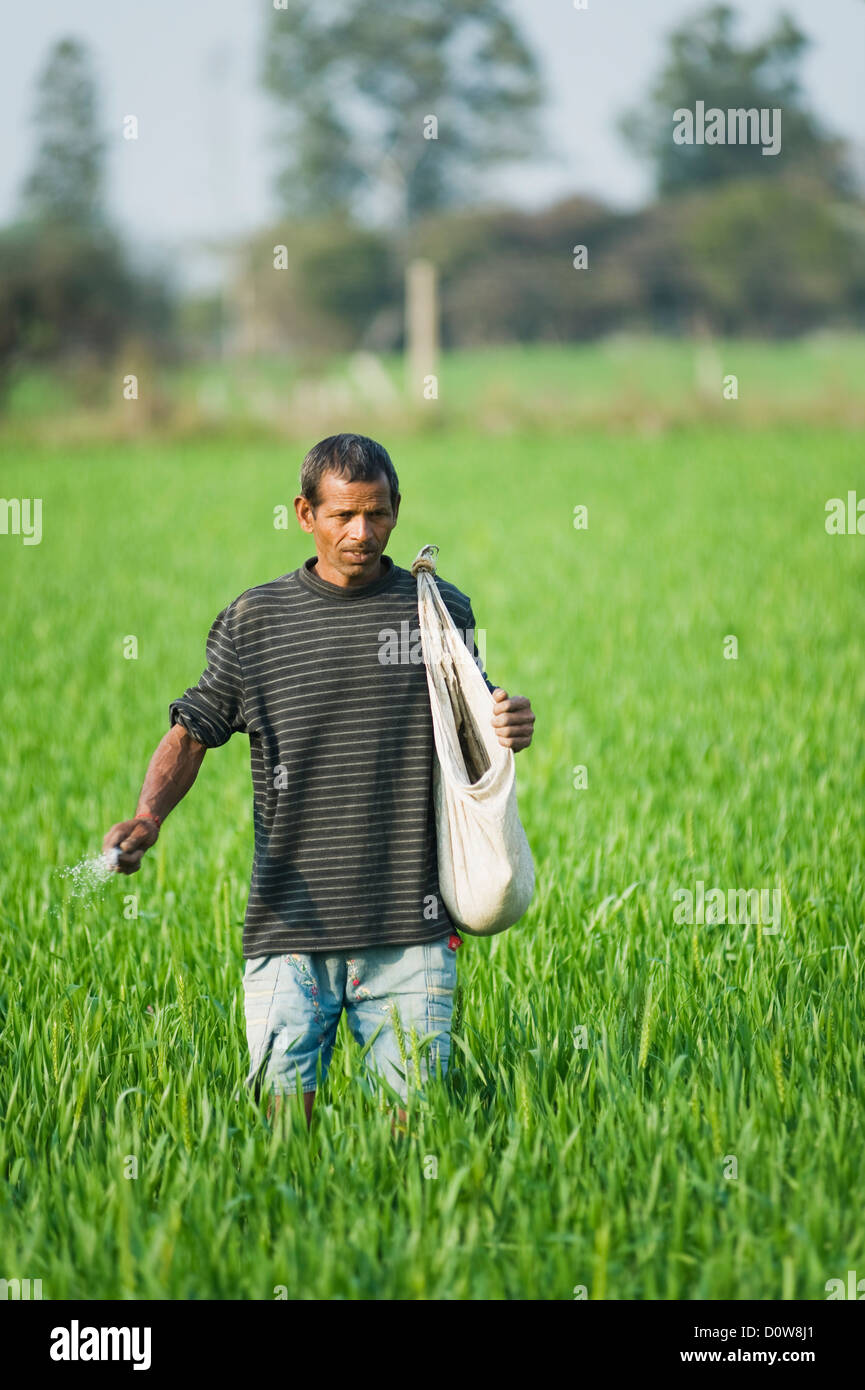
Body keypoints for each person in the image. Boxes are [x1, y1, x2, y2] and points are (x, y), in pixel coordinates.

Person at [103, 434, 535, 1131]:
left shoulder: (437, 610)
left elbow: (474, 722)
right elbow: (192, 729)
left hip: (411, 931)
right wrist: (148, 818)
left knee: (410, 1139)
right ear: (305, 514)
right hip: (287, 931)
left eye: (378, 514)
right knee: (284, 1139)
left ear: (397, 511)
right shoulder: (257, 622)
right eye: (343, 516)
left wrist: (508, 724)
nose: (362, 533)